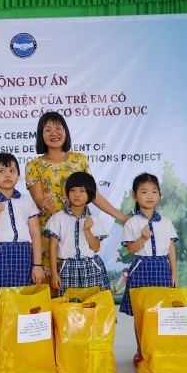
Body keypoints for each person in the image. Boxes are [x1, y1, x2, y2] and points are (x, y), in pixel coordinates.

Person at [25, 112, 129, 285]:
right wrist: (44, 205)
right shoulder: (33, 165)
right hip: (49, 235)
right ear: (41, 135)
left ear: (65, 132)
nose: (54, 133)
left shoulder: (78, 160)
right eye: (48, 129)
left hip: (79, 230)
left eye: (59, 128)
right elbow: (38, 199)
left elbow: (93, 193)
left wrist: (122, 217)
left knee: (80, 293)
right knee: (51, 290)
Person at [119, 172, 178, 367]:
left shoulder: (166, 222)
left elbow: (170, 248)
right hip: (141, 267)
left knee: (161, 312)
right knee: (141, 313)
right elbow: (131, 250)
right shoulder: (132, 223)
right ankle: (141, 351)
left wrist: (174, 273)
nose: (149, 195)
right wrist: (142, 239)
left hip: (161, 268)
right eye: (144, 191)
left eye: (154, 191)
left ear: (160, 195)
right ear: (135, 196)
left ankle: (159, 349)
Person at [0, 153, 44, 318]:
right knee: (3, 305)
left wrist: (37, 265)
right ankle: (3, 342)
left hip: (24, 255)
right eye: (2, 171)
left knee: (25, 304)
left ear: (18, 175)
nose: (7, 174)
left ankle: (21, 343)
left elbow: (35, 234)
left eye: (12, 171)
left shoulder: (26, 200)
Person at [44, 172, 111, 296]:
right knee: (68, 309)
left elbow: (95, 247)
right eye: (73, 190)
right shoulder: (57, 218)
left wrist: (87, 231)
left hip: (91, 267)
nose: (77, 194)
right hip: (67, 268)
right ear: (67, 193)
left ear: (90, 194)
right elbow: (53, 246)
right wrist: (54, 274)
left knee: (93, 307)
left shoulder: (94, 220)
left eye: (82, 191)